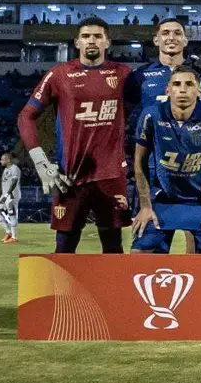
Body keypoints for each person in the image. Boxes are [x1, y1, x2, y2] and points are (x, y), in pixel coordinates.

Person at [17, 17, 133, 253]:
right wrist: (41, 162)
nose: (92, 41)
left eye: (98, 36)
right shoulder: (59, 74)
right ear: (77, 42)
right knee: (65, 247)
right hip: (69, 176)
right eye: (86, 36)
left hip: (111, 175)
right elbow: (25, 117)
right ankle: (62, 292)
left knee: (113, 247)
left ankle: (109, 291)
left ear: (107, 42)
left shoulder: (124, 74)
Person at [130, 66, 201, 254]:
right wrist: (145, 206)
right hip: (162, 202)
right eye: (176, 84)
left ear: (199, 91)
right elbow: (139, 163)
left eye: (189, 84)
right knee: (139, 253)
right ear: (167, 90)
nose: (182, 89)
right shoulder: (151, 115)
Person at [0, 153, 21, 243]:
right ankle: (8, 232)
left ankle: (14, 237)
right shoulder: (6, 169)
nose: (1, 161)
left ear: (8, 160)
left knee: (12, 215)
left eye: (2, 159)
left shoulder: (15, 169)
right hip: (5, 194)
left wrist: (7, 195)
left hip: (12, 195)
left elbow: (14, 182)